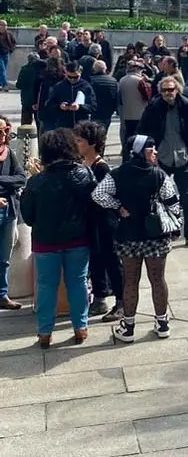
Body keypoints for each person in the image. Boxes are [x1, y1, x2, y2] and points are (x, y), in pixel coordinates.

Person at [92, 135, 181, 342]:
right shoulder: (159, 175)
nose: (155, 152)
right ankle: (162, 323)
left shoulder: (118, 174)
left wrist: (118, 207)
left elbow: (98, 195)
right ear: (141, 151)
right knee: (157, 279)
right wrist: (175, 225)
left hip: (129, 235)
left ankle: (128, 327)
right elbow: (173, 203)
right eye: (151, 149)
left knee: (130, 280)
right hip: (155, 236)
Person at [22, 129, 96, 347]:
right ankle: (80, 327)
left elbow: (28, 216)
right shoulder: (84, 174)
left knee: (46, 285)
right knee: (78, 282)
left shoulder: (37, 181)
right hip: (78, 239)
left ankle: (44, 332)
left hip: (45, 241)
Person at [137, 76, 188, 249]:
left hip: (183, 157)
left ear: (177, 90)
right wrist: (150, 152)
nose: (168, 93)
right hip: (162, 159)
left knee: (187, 198)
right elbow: (142, 131)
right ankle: (163, 233)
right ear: (160, 92)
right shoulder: (153, 108)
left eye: (171, 89)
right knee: (159, 199)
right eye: (165, 90)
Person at [73, 121, 123, 320]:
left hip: (105, 221)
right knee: (95, 260)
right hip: (90, 221)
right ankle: (100, 298)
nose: (76, 144)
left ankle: (121, 301)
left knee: (111, 260)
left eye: (80, 140)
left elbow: (107, 196)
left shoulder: (101, 168)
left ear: (92, 143)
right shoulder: (83, 164)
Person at [0, 117, 26, 311]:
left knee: (4, 256)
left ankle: (2, 294)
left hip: (9, 209)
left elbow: (20, 178)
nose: (3, 135)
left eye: (5, 130)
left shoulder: (10, 153)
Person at [88, 61, 118, 133]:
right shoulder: (113, 81)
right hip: (108, 110)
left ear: (94, 69)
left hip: (95, 110)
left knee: (94, 132)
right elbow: (117, 96)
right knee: (104, 131)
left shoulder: (90, 80)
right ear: (105, 69)